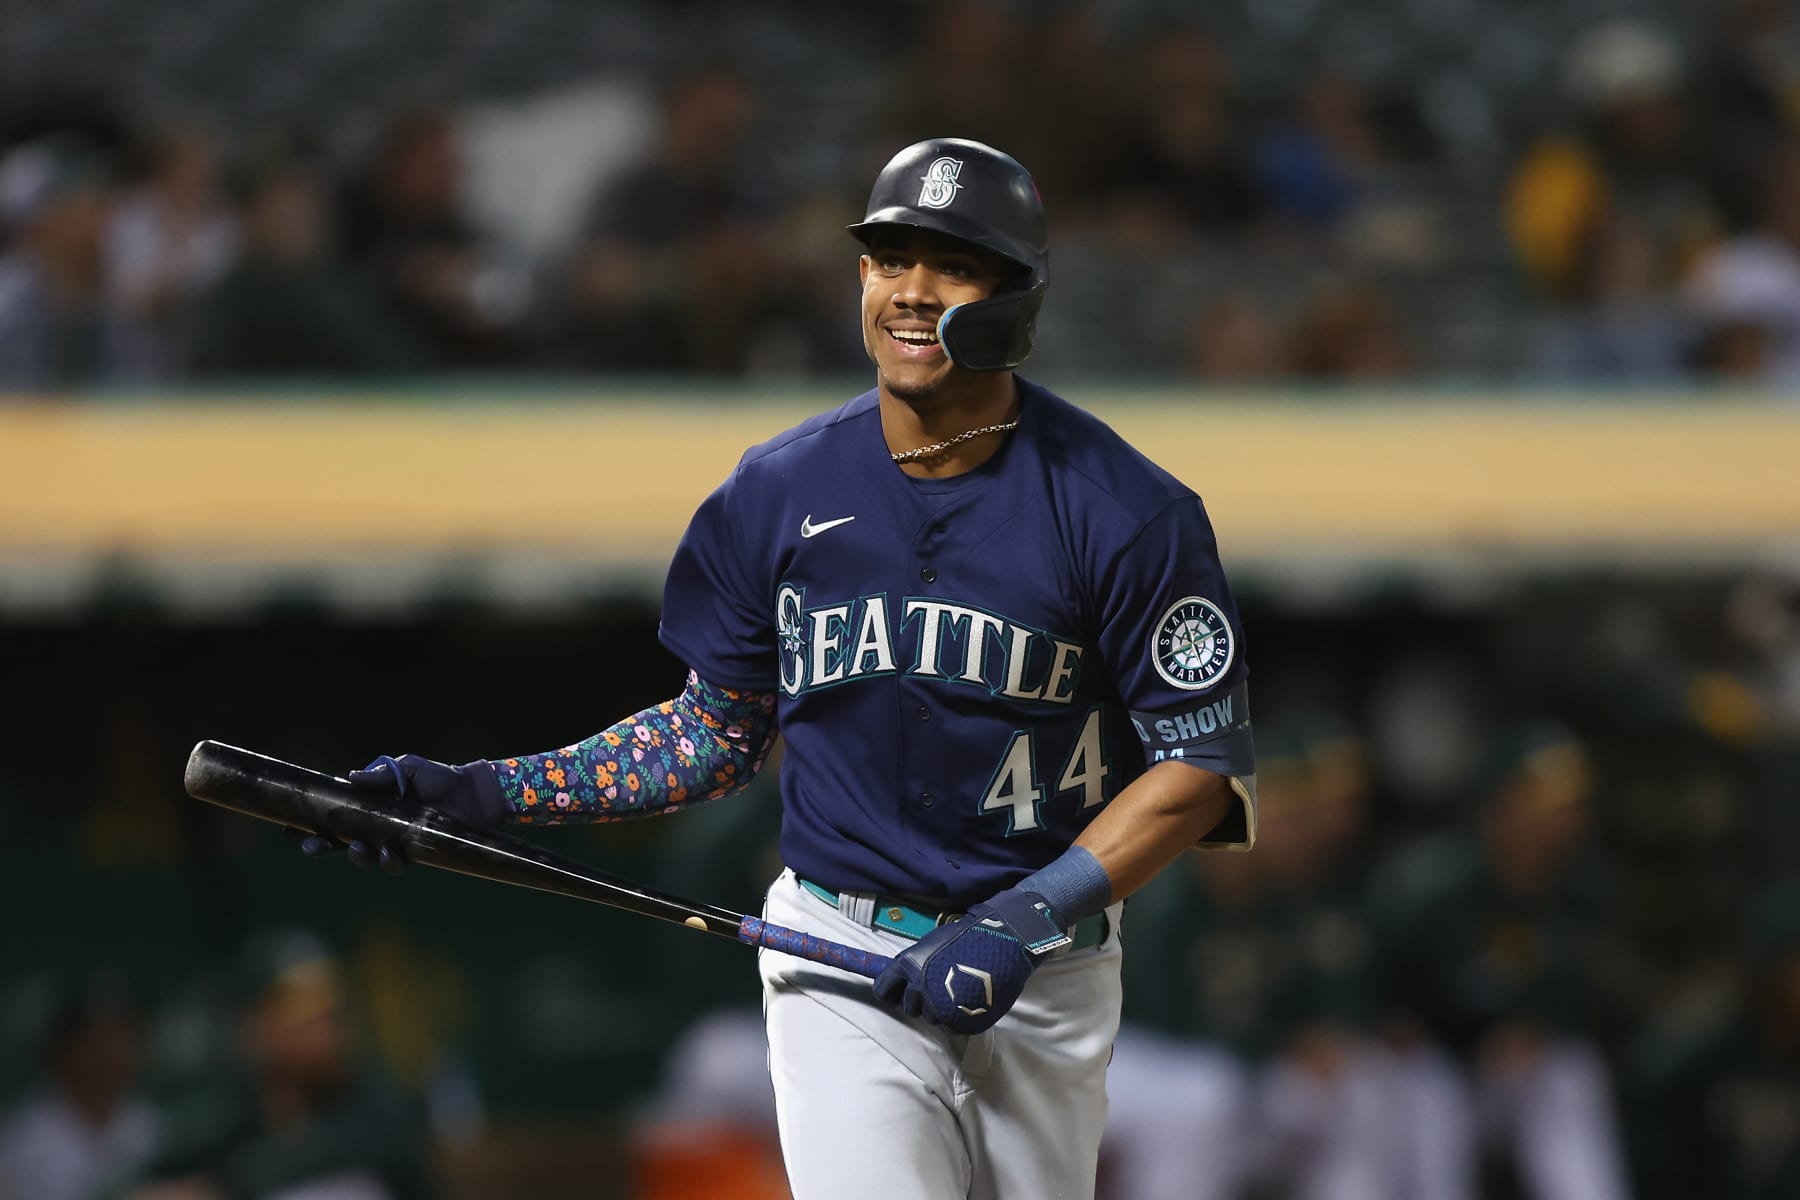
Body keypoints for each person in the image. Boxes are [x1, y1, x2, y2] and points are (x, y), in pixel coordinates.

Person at [302, 137, 1257, 1200]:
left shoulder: (1126, 510)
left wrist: (1027, 916)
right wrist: (482, 790)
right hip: (838, 950)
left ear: (1017, 297)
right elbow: (712, 736)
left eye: (951, 264)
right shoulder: (778, 490)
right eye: (890, 258)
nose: (911, 291)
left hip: (1046, 969)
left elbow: (1200, 768)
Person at [101, 929, 434, 1200]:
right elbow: (128, 1180)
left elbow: (350, 1144)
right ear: (253, 1026)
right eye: (301, 1011)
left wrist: (222, 1187)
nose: (325, 1026)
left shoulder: (380, 1108)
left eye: (332, 1009)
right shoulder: (231, 1118)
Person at [0, 976, 158, 1200]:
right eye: (94, 1038)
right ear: (59, 1046)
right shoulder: (18, 1142)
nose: (111, 1054)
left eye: (121, 1035)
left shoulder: (146, 1124)